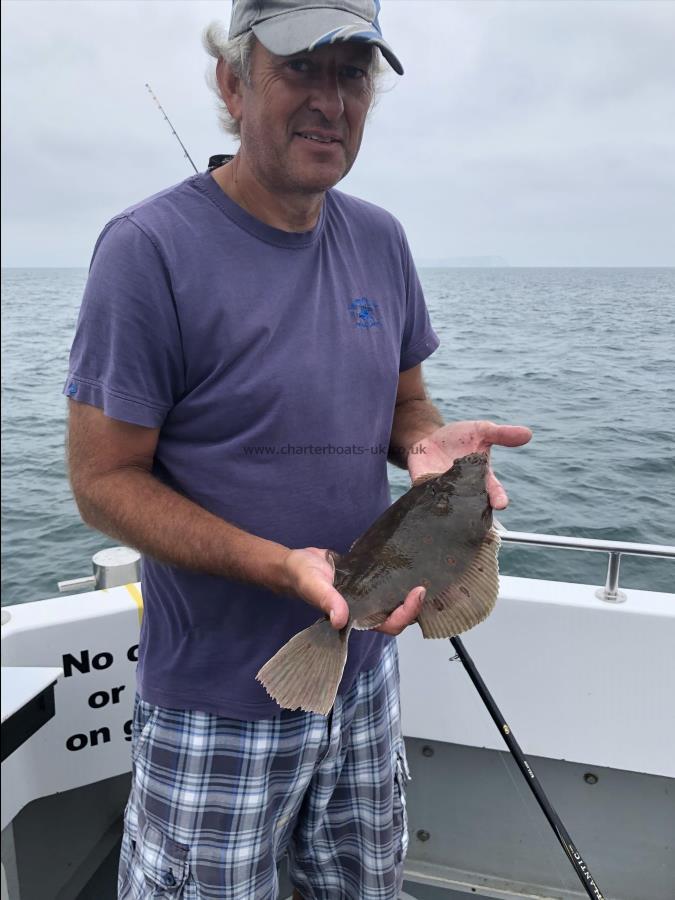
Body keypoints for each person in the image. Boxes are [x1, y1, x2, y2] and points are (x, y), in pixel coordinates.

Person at [65, 1, 531, 897]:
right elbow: (103, 481)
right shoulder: (146, 249)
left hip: (361, 678)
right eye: (300, 69)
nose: (331, 99)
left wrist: (427, 444)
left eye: (352, 73)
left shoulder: (381, 240)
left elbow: (403, 400)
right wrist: (277, 566)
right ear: (233, 84)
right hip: (214, 698)